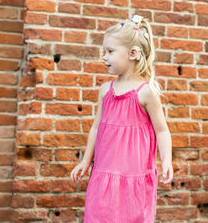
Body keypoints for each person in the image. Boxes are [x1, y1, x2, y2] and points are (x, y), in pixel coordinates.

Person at [70, 14, 173, 222]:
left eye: (110, 51)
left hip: (134, 176)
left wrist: (167, 160)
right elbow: (96, 127)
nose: (104, 57)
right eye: (103, 51)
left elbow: (162, 130)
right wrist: (86, 160)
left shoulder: (145, 93)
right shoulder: (105, 90)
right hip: (103, 174)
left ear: (133, 53)